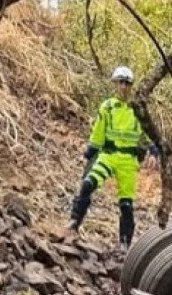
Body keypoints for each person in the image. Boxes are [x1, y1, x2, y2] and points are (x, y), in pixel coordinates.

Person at [66, 66, 154, 249]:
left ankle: (124, 243)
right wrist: (91, 150)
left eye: (127, 83)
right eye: (121, 83)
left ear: (131, 86)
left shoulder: (137, 109)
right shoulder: (107, 106)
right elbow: (98, 131)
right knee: (88, 184)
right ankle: (74, 222)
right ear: (115, 84)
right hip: (107, 155)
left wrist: (154, 150)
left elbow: (148, 132)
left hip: (128, 161)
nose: (124, 87)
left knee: (126, 205)